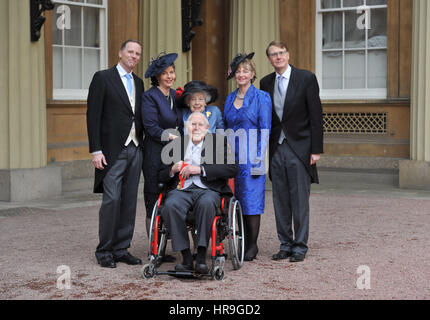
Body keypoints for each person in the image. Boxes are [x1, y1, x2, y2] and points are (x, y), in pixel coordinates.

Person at [260, 40, 323, 263]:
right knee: (280, 198)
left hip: (301, 147)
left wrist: (316, 149)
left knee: (299, 200)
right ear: (269, 59)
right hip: (276, 147)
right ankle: (285, 244)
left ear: (288, 54)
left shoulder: (306, 78)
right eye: (273, 54)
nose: (278, 57)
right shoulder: (265, 82)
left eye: (281, 52)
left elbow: (316, 115)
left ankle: (300, 246)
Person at [87, 39, 144, 268]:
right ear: (120, 53)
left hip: (135, 148)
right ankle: (104, 251)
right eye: (130, 52)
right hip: (111, 150)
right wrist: (95, 150)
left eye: (138, 53)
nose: (134, 56)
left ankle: (121, 248)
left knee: (129, 200)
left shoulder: (139, 83)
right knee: (111, 199)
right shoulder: (102, 78)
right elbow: (93, 116)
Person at [158, 111, 238, 274]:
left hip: (208, 189)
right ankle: (186, 257)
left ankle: (201, 256)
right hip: (182, 190)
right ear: (186, 127)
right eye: (192, 124)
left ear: (207, 127)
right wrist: (172, 169)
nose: (196, 127)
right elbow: (159, 174)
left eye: (200, 124)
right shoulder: (176, 145)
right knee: (170, 205)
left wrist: (201, 169)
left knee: (207, 203)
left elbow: (232, 168)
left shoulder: (218, 142)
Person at [224, 53, 272, 262]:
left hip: (252, 154)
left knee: (251, 201)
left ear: (253, 74)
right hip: (231, 156)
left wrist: (259, 158)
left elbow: (265, 129)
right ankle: (239, 241)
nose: (241, 74)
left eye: (246, 71)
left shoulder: (262, 97)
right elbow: (225, 127)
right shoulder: (229, 98)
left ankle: (252, 245)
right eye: (238, 71)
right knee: (235, 199)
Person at [141, 52, 183, 236]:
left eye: (172, 72)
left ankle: (165, 245)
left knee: (172, 195)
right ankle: (154, 247)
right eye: (165, 73)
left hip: (174, 154)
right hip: (155, 155)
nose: (169, 76)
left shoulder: (175, 95)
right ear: (157, 76)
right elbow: (151, 127)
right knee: (154, 197)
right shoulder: (149, 96)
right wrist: (172, 136)